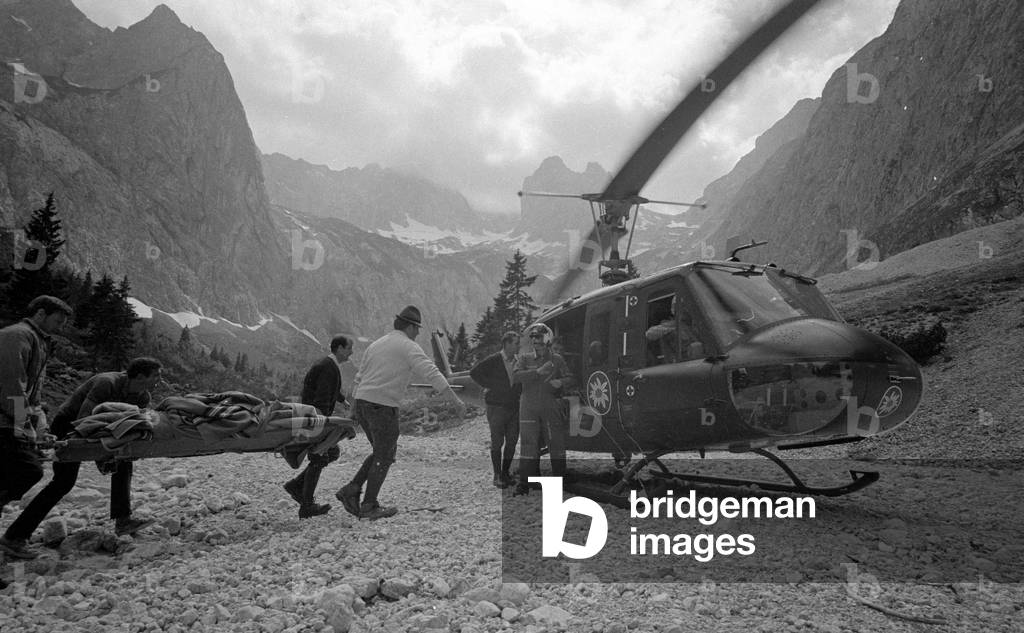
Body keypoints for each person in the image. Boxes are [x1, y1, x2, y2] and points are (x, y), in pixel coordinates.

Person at [0, 357, 162, 559]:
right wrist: (98, 450)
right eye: (156, 375)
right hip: (69, 425)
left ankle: (123, 520)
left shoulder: (142, 397)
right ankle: (14, 536)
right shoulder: (107, 383)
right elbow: (83, 418)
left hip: (105, 429)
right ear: (140, 376)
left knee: (124, 463)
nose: (160, 381)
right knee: (63, 482)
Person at [335, 306, 466, 520]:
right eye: (417, 328)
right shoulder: (408, 346)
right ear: (410, 326)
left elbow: (359, 377)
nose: (418, 333)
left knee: (381, 452)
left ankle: (352, 490)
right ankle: (368, 505)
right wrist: (455, 399)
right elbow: (430, 371)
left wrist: (353, 408)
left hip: (364, 404)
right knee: (385, 455)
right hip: (382, 405)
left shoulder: (376, 344)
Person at [0, 296, 71, 529]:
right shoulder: (17, 335)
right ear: (40, 314)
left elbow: (34, 396)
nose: (60, 328)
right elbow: (12, 385)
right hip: (4, 420)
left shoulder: (38, 341)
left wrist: (41, 430)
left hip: (10, 420)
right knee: (29, 470)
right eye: (58, 321)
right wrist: (23, 426)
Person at [283, 334, 354, 518]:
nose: (351, 352)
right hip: (312, 418)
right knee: (321, 455)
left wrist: (342, 400)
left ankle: (297, 486)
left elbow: (327, 388)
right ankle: (306, 505)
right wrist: (324, 425)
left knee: (330, 452)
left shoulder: (327, 365)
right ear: (339, 348)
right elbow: (322, 397)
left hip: (308, 415)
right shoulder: (329, 368)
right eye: (349, 348)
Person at [513, 323, 573, 495]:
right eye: (532, 337)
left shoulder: (557, 359)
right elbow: (516, 377)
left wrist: (561, 382)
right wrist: (538, 372)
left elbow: (570, 377)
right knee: (528, 444)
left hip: (549, 405)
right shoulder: (524, 358)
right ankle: (525, 483)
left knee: (556, 442)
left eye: (538, 337)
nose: (535, 341)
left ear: (547, 338)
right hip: (528, 406)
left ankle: (560, 481)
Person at [469, 332, 521, 488]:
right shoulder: (494, 360)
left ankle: (506, 473)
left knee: (512, 441)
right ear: (506, 344)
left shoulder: (519, 362)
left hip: (514, 407)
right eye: (516, 343)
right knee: (497, 441)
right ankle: (497, 475)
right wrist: (491, 385)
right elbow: (474, 373)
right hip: (496, 407)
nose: (518, 346)